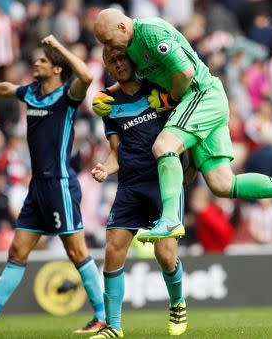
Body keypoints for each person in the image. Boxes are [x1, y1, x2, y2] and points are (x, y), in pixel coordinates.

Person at [93, 9, 272, 243]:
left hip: (201, 95)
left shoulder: (151, 32)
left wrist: (168, 99)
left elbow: (186, 72)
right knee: (222, 184)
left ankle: (169, 219)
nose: (110, 47)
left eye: (110, 41)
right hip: (198, 103)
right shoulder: (130, 47)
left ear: (122, 27)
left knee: (164, 146)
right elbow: (136, 80)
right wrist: (105, 94)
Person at [0, 35, 106, 334]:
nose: (37, 62)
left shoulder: (67, 96)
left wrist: (58, 47)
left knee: (76, 252)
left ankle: (102, 317)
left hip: (60, 184)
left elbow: (85, 75)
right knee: (17, 251)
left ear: (58, 69)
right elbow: (7, 89)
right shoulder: (32, 93)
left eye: (44, 60)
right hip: (38, 188)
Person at [89, 46, 187, 338]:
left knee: (165, 254)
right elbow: (116, 154)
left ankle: (178, 302)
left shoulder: (158, 89)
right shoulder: (108, 104)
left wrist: (190, 166)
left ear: (132, 59)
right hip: (130, 185)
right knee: (112, 250)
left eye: (122, 58)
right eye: (112, 61)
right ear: (107, 66)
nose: (119, 64)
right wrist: (106, 169)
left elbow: (183, 131)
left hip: (162, 183)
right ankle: (114, 327)